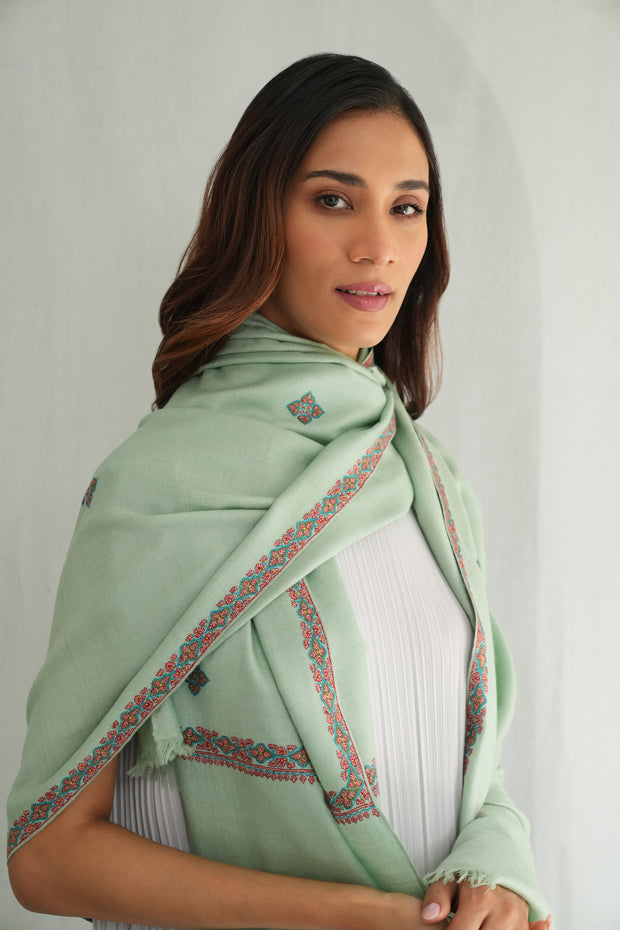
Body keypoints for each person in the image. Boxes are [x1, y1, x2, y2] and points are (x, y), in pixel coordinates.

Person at [7, 53, 552, 930]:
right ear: (258, 213)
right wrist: (358, 917)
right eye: (333, 200)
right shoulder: (158, 486)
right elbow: (47, 851)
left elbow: (461, 766)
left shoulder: (426, 478)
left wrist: (492, 871)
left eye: (406, 207)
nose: (377, 245)